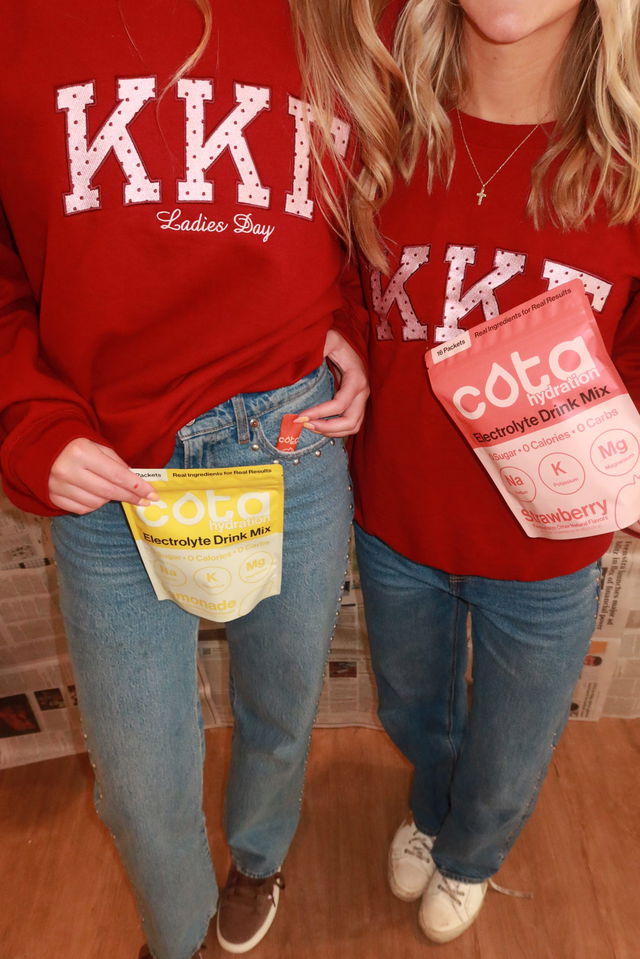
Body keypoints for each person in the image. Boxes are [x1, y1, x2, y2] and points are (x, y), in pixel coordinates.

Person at [0, 2, 401, 957]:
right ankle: (176, 937)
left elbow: (355, 208)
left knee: (279, 702)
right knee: (139, 782)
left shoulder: (356, 15)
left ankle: (260, 857)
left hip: (287, 434)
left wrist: (342, 314)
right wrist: (26, 415)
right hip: (109, 460)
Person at [339, 0, 640, 945]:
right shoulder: (377, 121)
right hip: (397, 525)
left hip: (548, 552)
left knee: (510, 753)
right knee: (414, 710)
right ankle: (432, 813)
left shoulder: (626, 158)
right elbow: (339, 294)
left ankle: (472, 853)